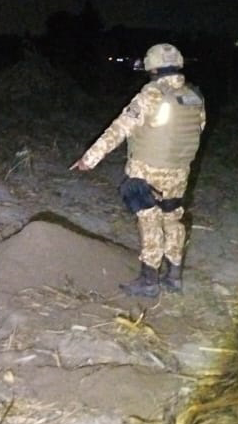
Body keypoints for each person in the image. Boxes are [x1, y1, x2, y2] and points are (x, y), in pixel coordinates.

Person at [70, 43, 205, 297]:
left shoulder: (150, 95)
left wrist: (89, 159)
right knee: (173, 218)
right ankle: (174, 276)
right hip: (179, 171)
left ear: (152, 67)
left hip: (148, 170)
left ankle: (149, 280)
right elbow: (198, 129)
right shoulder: (194, 96)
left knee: (149, 221)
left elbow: (119, 129)